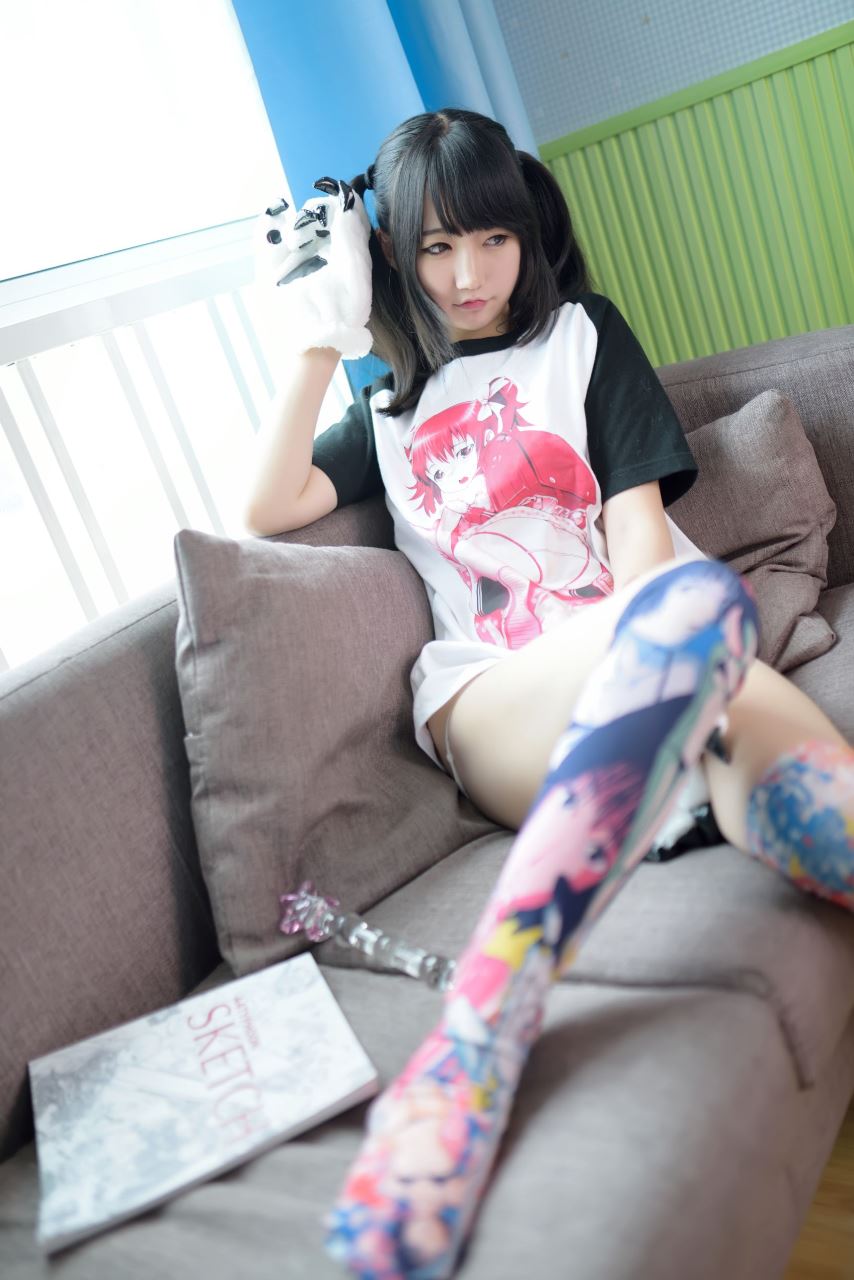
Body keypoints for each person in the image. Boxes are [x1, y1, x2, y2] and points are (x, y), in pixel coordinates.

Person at [245, 109, 853, 1280]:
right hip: (499, 695)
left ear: (527, 235)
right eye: (434, 247)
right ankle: (479, 1030)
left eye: (491, 238)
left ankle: (527, 968)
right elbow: (265, 509)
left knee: (815, 794)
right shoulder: (387, 414)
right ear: (391, 254)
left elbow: (639, 547)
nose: (467, 273)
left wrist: (667, 665)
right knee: (699, 607)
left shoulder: (582, 337)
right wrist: (323, 336)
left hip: (671, 653)